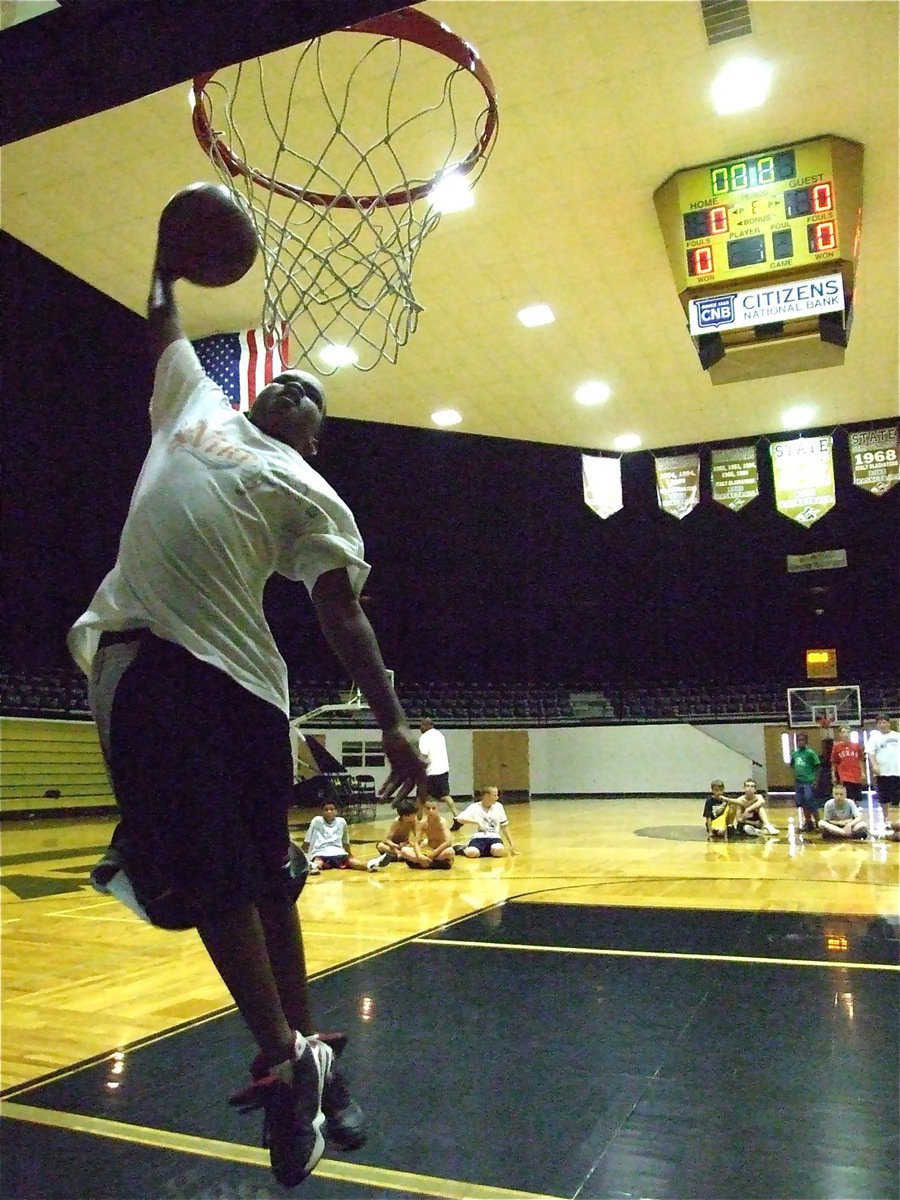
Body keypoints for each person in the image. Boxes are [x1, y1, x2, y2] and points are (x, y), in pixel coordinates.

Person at [68, 225, 426, 1189]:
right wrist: (160, 253)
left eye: (314, 394)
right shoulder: (197, 402)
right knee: (216, 870)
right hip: (150, 659)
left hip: (252, 688)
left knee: (267, 876)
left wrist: (391, 716)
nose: (296, 386)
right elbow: (159, 319)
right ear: (258, 391)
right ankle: (287, 1057)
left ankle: (304, 1053)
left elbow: (341, 611)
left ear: (317, 436)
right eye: (288, 380)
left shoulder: (311, 488)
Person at [302, 800, 375, 873]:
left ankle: (369, 866)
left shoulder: (341, 822)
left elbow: (345, 840)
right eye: (326, 810)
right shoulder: (317, 820)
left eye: (332, 809)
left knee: (351, 861)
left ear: (336, 811)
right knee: (319, 862)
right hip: (321, 853)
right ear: (322, 812)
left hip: (339, 853)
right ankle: (315, 868)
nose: (329, 812)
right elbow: (307, 840)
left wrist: (350, 855)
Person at [418, 718, 461, 829]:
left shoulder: (424, 737)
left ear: (426, 725)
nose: (420, 728)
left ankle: (418, 822)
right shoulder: (440, 735)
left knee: (421, 797)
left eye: (421, 725)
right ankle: (458, 817)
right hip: (442, 769)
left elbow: (424, 754)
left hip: (430, 771)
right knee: (445, 795)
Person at [456, 786, 517, 857]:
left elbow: (504, 827)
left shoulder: (498, 806)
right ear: (486, 796)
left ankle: (487, 851)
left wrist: (512, 844)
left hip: (494, 837)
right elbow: (459, 819)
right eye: (495, 795)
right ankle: (463, 849)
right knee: (472, 853)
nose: (497, 798)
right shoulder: (474, 807)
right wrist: (477, 822)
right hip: (478, 837)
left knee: (498, 850)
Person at [368, 796, 422, 868]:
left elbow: (417, 836)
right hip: (394, 847)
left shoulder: (414, 821)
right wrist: (396, 846)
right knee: (380, 846)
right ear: (406, 815)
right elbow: (387, 840)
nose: (416, 815)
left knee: (422, 843)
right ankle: (400, 855)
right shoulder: (397, 822)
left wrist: (412, 843)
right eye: (414, 814)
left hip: (404, 845)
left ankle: (397, 856)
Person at [867, 714, 900, 827]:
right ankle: (886, 819)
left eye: (884, 722)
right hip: (882, 772)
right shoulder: (874, 738)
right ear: (877, 725)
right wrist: (874, 766)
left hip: (897, 771)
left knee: (896, 797)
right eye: (880, 723)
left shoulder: (897, 736)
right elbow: (870, 753)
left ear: (889, 723)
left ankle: (897, 819)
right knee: (884, 797)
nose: (882, 725)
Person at [789, 732, 821, 832]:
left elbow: (818, 766)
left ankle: (818, 822)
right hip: (799, 782)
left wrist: (816, 780)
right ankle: (808, 822)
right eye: (799, 740)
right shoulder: (794, 754)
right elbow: (793, 765)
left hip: (809, 781)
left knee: (810, 801)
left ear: (806, 741)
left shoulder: (811, 753)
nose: (800, 742)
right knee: (802, 802)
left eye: (803, 740)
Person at [831, 725, 866, 808]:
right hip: (844, 775)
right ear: (840, 734)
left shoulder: (856, 746)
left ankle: (856, 814)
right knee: (848, 797)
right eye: (843, 732)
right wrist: (833, 775)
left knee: (857, 798)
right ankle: (848, 815)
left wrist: (863, 772)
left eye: (847, 732)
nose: (846, 734)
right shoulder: (837, 747)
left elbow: (860, 760)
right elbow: (834, 762)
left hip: (856, 775)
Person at [416, 797, 455, 868]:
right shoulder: (422, 823)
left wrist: (434, 854)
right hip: (428, 850)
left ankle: (424, 863)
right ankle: (436, 863)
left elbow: (448, 842)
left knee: (450, 852)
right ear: (424, 809)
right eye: (428, 808)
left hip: (440, 851)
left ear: (438, 809)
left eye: (433, 808)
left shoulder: (442, 822)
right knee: (405, 851)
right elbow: (416, 841)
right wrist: (419, 855)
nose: (431, 811)